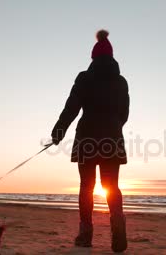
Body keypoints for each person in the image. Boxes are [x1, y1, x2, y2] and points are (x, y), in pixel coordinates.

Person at [51, 29, 129, 252]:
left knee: (86, 186)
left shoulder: (85, 78)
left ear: (93, 57)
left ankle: (85, 236)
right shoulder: (121, 82)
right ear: (112, 58)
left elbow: (71, 107)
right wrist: (113, 128)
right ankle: (118, 228)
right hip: (112, 139)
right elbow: (124, 114)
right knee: (111, 185)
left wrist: (59, 131)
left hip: (86, 138)